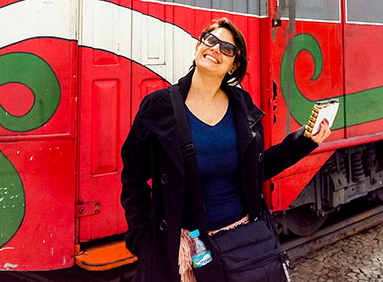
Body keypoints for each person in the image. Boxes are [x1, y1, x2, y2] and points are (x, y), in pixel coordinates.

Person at [120, 18, 332, 282]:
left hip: (242, 244)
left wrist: (305, 141)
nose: (216, 49)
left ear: (234, 65)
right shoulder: (158, 107)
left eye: (227, 49)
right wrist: (143, 240)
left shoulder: (242, 106)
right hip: (187, 249)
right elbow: (133, 177)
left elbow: (257, 168)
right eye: (211, 40)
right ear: (198, 46)